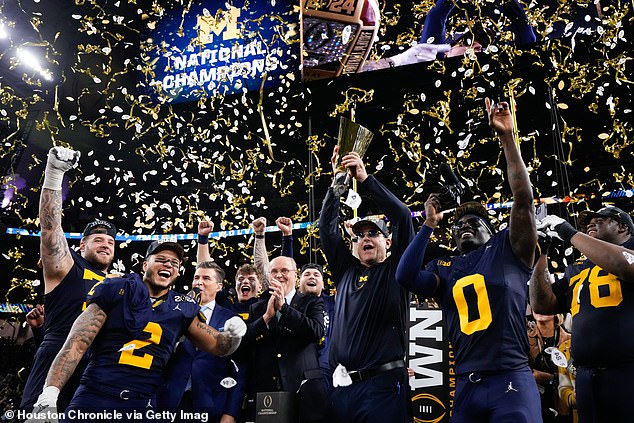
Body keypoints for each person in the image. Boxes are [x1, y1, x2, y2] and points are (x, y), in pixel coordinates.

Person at [395, 98, 540, 422]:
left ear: (492, 229)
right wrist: (429, 225)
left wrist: (507, 138)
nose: (464, 227)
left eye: (473, 223)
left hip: (510, 378)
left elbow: (523, 198)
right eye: (458, 225)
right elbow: (404, 276)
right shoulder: (445, 267)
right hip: (464, 386)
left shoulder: (509, 248)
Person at [29, 240, 246, 416]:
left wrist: (233, 336)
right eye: (161, 260)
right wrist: (49, 393)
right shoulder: (116, 288)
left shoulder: (183, 306)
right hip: (95, 394)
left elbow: (219, 346)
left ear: (178, 273)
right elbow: (77, 343)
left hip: (141, 404)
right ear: (144, 265)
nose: (168, 265)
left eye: (174, 263)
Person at [319, 148, 415, 422]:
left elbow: (403, 216)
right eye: (360, 235)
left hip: (383, 387)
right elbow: (327, 229)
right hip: (344, 386)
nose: (366, 238)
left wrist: (365, 178)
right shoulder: (346, 271)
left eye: (374, 233)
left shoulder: (397, 270)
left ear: (388, 242)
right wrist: (337, 180)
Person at [21, 147, 118, 413]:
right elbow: (50, 227)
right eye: (98, 239)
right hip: (58, 351)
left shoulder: (117, 283)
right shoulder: (67, 266)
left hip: (97, 363)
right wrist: (53, 173)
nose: (106, 245)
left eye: (110, 241)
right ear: (81, 245)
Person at [530, 205, 634, 422]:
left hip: (627, 372)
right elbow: (543, 304)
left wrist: (568, 232)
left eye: (600, 219)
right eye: (588, 222)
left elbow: (625, 266)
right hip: (587, 376)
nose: (590, 224)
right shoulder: (579, 267)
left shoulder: (629, 253)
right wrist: (541, 255)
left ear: (623, 226)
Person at [240, 255, 327, 423]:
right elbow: (244, 343)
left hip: (303, 389)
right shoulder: (257, 307)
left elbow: (316, 332)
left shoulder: (311, 301)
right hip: (265, 392)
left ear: (295, 276)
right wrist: (265, 318)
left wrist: (284, 309)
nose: (279, 275)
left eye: (285, 271)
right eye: (274, 271)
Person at [159, 261, 247, 423]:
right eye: (196, 278)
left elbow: (239, 370)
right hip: (171, 404)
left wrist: (230, 413)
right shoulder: (174, 312)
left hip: (211, 406)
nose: (199, 282)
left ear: (219, 286)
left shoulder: (231, 319)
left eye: (206, 278)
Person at [527, 311, 571, 422]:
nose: (541, 309)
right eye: (537, 304)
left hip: (563, 405)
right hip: (535, 404)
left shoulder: (569, 340)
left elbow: (574, 378)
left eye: (545, 304)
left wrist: (549, 378)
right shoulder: (525, 340)